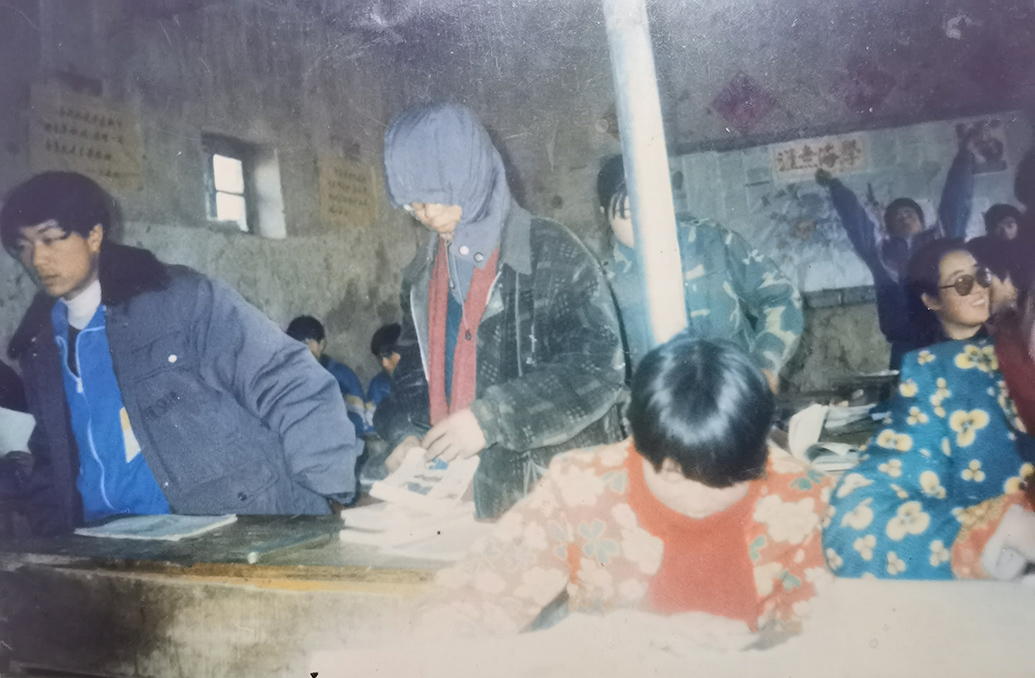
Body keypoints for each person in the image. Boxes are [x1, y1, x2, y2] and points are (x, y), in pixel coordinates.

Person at [2, 172, 360, 535]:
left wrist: (328, 492)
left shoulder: (179, 301)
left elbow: (288, 379)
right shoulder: (40, 347)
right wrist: (54, 536)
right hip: (105, 542)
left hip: (221, 531)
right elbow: (50, 457)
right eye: (23, 246)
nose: (37, 259)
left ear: (94, 235)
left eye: (51, 239)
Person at [417, 337, 832, 639]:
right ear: (639, 445)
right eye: (674, 476)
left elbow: (830, 647)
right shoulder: (581, 487)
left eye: (726, 480)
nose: (697, 501)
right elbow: (471, 599)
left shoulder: (807, 500)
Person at [374, 103, 626, 520]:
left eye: (441, 196)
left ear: (472, 175)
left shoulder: (551, 252)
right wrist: (404, 433)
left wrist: (492, 418)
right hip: (459, 497)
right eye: (415, 204)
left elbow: (597, 368)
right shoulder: (422, 276)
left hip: (551, 495)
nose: (430, 215)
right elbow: (413, 376)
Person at [822, 238, 1034, 579]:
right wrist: (992, 534)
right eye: (961, 283)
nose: (979, 289)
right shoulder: (941, 371)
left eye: (980, 276)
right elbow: (861, 515)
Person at [597, 155, 803, 392]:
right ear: (605, 214)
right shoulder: (601, 282)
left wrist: (764, 365)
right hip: (658, 409)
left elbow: (781, 297)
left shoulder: (709, 242)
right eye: (628, 214)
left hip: (735, 396)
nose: (644, 224)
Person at [815, 133, 979, 369]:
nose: (903, 218)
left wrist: (965, 156)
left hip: (947, 338)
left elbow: (956, 200)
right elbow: (855, 220)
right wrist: (835, 186)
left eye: (909, 214)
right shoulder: (880, 251)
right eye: (896, 216)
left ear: (921, 221)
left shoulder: (941, 240)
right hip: (904, 343)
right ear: (888, 226)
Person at [967, 235, 1035, 433]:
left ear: (1010, 278)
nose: (974, 291)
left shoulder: (1021, 331)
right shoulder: (989, 333)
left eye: (983, 278)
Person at [287, 315, 370, 438]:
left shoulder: (343, 376)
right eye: (296, 344)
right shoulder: (286, 380)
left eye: (307, 343)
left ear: (322, 344)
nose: (302, 350)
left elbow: (359, 419)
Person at [366, 322, 401, 412]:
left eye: (388, 355)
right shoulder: (378, 385)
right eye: (380, 358)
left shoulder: (421, 376)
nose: (384, 363)